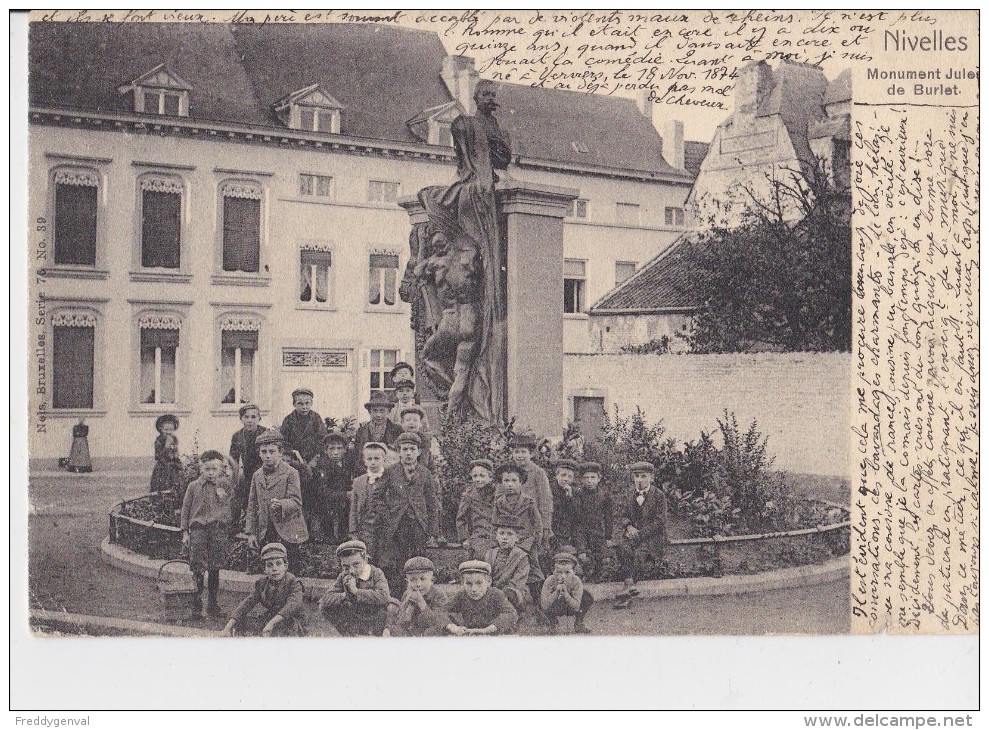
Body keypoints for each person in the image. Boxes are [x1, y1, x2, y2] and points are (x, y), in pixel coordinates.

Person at [367, 432, 440, 593]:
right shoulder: (390, 471)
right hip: (396, 527)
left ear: (419, 452)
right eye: (404, 449)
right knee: (396, 564)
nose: (408, 453)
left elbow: (432, 503)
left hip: (418, 526)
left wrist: (432, 530)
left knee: (416, 562)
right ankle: (397, 596)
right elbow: (376, 497)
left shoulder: (425, 473)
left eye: (412, 449)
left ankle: (417, 595)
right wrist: (387, 515)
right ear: (399, 451)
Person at [180, 450, 236, 618]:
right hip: (198, 531)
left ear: (220, 469)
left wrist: (224, 495)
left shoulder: (224, 485)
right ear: (200, 469)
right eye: (207, 469)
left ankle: (213, 604)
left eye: (214, 469)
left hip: (217, 531)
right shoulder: (193, 487)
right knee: (197, 567)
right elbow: (185, 509)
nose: (210, 473)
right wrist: (185, 532)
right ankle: (196, 604)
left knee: (215, 567)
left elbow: (230, 506)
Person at [244, 429, 309, 571]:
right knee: (270, 568)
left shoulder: (291, 473)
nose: (268, 456)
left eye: (272, 451)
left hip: (288, 529)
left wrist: (282, 504)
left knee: (290, 569)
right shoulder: (257, 475)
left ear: (280, 453)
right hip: (266, 529)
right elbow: (252, 505)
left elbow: (296, 501)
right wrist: (251, 533)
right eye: (264, 452)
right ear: (259, 453)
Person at [614, 462, 668, 609]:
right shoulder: (629, 493)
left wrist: (640, 533)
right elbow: (622, 514)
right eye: (636, 476)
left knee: (639, 554)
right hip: (633, 534)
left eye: (643, 476)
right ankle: (630, 587)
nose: (640, 480)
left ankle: (627, 589)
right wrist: (629, 526)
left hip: (652, 536)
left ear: (651, 477)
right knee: (622, 548)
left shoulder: (658, 495)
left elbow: (660, 521)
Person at [222, 542, 305, 636]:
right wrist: (227, 627)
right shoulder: (262, 583)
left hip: (292, 623)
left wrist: (271, 623)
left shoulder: (293, 583)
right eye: (269, 565)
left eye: (278, 564)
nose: (274, 569)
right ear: (264, 569)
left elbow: (292, 605)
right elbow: (247, 603)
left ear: (286, 566)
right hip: (272, 620)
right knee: (243, 624)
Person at [319, 540, 391, 637]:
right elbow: (326, 598)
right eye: (346, 567)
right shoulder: (344, 575)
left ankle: (378, 634)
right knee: (324, 607)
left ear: (365, 560)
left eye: (356, 564)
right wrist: (345, 595)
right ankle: (349, 634)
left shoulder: (376, 573)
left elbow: (384, 596)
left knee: (391, 607)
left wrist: (356, 592)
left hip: (374, 616)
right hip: (356, 616)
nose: (351, 571)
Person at [444, 560, 517, 636]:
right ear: (462, 583)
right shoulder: (461, 595)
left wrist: (488, 630)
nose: (474, 589)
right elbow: (441, 611)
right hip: (469, 634)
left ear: (488, 581)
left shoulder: (496, 594)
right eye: (468, 584)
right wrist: (453, 627)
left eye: (479, 583)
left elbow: (511, 613)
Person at [509, 434, 553, 551]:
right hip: (511, 522)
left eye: (523, 452)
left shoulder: (538, 473)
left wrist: (545, 527)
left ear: (531, 454)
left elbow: (545, 501)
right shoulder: (508, 473)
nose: (520, 456)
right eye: (516, 452)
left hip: (532, 522)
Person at [386, 556, 449, 637]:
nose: (418, 584)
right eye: (413, 580)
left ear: (432, 580)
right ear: (407, 581)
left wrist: (421, 602)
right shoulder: (407, 594)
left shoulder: (439, 595)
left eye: (422, 579)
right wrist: (406, 604)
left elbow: (437, 623)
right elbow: (402, 622)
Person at [228, 404, 268, 527]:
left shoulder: (266, 433)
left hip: (264, 471)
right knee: (238, 490)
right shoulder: (237, 436)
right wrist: (235, 474)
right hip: (246, 472)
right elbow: (233, 458)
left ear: (259, 418)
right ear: (241, 418)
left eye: (253, 416)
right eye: (246, 417)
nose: (250, 420)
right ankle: (236, 523)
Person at [312, 429, 354, 542]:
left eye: (339, 448)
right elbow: (322, 491)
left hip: (343, 499)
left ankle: (344, 532)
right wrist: (345, 494)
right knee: (326, 507)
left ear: (345, 450)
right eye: (331, 448)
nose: (335, 452)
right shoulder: (322, 466)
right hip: (327, 500)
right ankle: (327, 534)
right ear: (326, 450)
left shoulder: (348, 463)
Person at [575, 461, 615, 582]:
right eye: (586, 478)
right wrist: (580, 545)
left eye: (593, 477)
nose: (589, 481)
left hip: (599, 532)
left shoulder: (605, 495)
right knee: (584, 558)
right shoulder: (578, 495)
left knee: (606, 560)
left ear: (599, 479)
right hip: (582, 532)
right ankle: (588, 575)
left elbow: (609, 517)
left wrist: (608, 536)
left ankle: (600, 576)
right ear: (581, 480)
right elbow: (576, 521)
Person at [484, 515, 530, 612]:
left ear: (517, 538)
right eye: (501, 533)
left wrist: (498, 592)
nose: (505, 537)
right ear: (496, 536)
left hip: (512, 591)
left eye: (510, 534)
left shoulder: (521, 556)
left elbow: (518, 581)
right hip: (492, 590)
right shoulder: (490, 553)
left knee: (510, 594)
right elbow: (486, 575)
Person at [541, 551, 594, 634]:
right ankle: (553, 623)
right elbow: (544, 606)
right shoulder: (549, 581)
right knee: (542, 597)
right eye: (559, 572)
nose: (563, 576)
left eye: (567, 572)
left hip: (570, 606)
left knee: (587, 596)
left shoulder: (576, 581)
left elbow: (576, 607)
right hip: (556, 605)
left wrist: (566, 594)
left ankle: (579, 623)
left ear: (574, 572)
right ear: (553, 572)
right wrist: (556, 592)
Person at [455, 458, 497, 560]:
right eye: (475, 476)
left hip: (496, 535)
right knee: (483, 558)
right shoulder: (469, 496)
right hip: (479, 537)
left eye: (482, 476)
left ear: (490, 478)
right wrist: (464, 538)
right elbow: (461, 519)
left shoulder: (497, 494)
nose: (478, 479)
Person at [352, 391, 403, 469]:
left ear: (388, 411)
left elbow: (400, 456)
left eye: (382, 411)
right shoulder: (361, 431)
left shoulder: (397, 430)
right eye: (375, 411)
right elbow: (357, 457)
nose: (378, 415)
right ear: (370, 412)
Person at [349, 442, 387, 543]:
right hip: (365, 529)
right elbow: (353, 508)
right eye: (369, 459)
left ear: (384, 459)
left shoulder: (390, 480)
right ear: (364, 461)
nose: (373, 463)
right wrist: (353, 530)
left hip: (385, 530)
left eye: (377, 458)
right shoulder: (359, 481)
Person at [279, 388, 327, 465]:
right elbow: (283, 442)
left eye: (307, 403)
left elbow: (322, 439)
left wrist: (316, 458)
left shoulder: (316, 418)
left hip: (313, 459)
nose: (304, 407)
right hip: (293, 460)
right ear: (294, 404)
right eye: (300, 404)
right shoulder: (288, 419)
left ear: (311, 403)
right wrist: (293, 456)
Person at [550, 459, 581, 551]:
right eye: (563, 475)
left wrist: (570, 497)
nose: (566, 479)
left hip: (566, 533)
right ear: (556, 475)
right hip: (551, 531)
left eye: (570, 476)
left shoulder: (575, 492)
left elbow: (578, 516)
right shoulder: (548, 490)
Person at [398, 406, 439, 472]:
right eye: (408, 420)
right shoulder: (398, 437)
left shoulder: (424, 440)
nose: (411, 423)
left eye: (415, 420)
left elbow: (424, 462)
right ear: (402, 423)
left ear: (420, 424)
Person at [150, 414, 182, 495]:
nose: (168, 432)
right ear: (161, 429)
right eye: (166, 429)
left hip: (173, 467)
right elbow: (157, 456)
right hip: (162, 468)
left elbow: (175, 452)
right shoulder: (159, 440)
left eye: (171, 429)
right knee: (162, 487)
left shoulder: (174, 439)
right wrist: (166, 447)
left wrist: (178, 462)